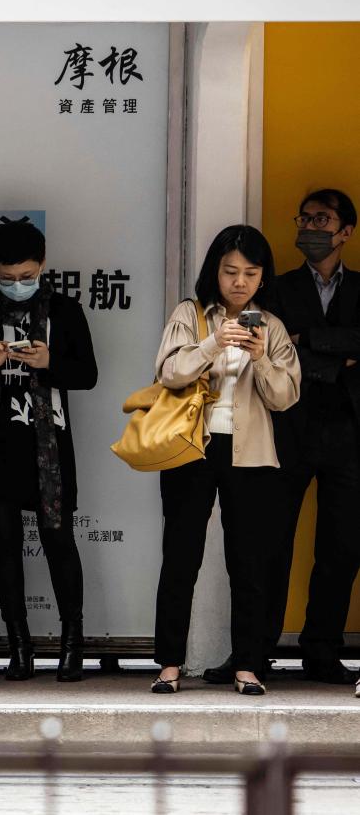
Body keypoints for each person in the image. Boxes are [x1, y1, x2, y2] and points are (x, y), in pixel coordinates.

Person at [203, 189, 359, 689]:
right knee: (266, 547)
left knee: (341, 548)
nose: (311, 226)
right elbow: (269, 342)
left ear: (346, 232)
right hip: (283, 430)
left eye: (324, 219)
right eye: (305, 216)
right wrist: (338, 360)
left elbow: (310, 343)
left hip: (350, 435)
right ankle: (254, 652)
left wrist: (308, 343)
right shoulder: (280, 289)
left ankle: (322, 651)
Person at [151, 225, 300, 696]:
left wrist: (260, 358)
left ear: (262, 277)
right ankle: (169, 664)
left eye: (250, 273)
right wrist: (215, 342)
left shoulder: (271, 326)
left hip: (250, 452)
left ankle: (248, 666)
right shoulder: (190, 315)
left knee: (249, 562)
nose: (239, 282)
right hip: (191, 447)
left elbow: (285, 399)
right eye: (230, 271)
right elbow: (168, 373)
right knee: (181, 554)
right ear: (214, 272)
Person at [0, 220, 97, 682]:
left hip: (49, 445)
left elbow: (88, 374)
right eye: (8, 278)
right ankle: (20, 646)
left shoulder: (66, 310)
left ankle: (72, 644)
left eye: (27, 276)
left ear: (43, 266)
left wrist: (49, 361)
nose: (17, 285)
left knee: (59, 543)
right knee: (5, 547)